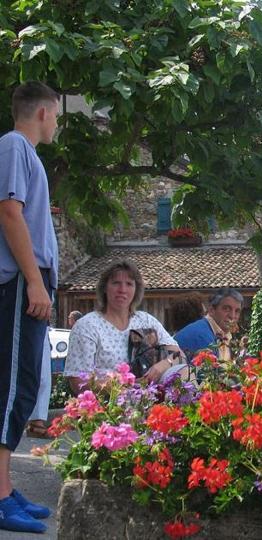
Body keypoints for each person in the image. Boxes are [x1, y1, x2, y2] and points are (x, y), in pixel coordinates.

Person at [0, 81, 61, 533]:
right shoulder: (13, 146)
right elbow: (8, 211)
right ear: (43, 112)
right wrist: (35, 282)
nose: (57, 123)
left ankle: (3, 487)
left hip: (28, 285)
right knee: (11, 390)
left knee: (21, 389)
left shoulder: (25, 153)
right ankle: (1, 498)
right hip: (20, 283)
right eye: (56, 114)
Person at [64, 260, 187, 392]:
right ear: (105, 288)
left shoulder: (145, 320)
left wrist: (163, 365)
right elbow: (78, 382)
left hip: (152, 399)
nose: (122, 290)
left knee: (185, 372)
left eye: (129, 284)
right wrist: (125, 386)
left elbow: (179, 355)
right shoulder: (87, 326)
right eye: (116, 283)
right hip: (107, 405)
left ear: (136, 290)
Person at [174, 287, 243, 361]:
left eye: (237, 311)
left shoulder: (222, 333)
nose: (232, 316)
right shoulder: (201, 336)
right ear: (211, 310)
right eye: (226, 309)